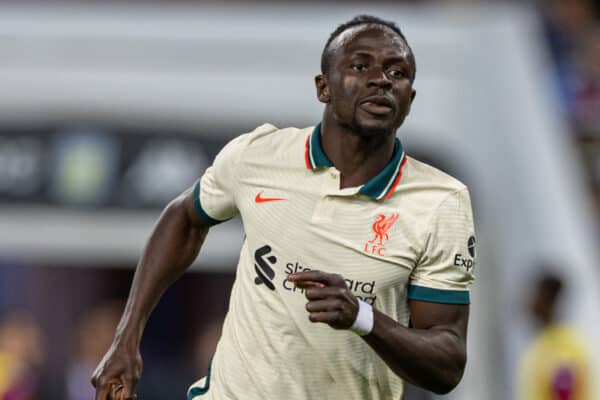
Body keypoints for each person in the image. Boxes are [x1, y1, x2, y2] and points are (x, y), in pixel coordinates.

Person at [92, 15, 476, 400]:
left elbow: (447, 364)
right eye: (361, 66)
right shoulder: (259, 155)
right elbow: (185, 218)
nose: (381, 79)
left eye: (398, 72)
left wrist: (362, 317)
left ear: (409, 99)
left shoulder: (440, 201)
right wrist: (126, 337)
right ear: (323, 87)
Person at [518, 272, 591, 400]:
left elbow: (564, 393)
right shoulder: (543, 342)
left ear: (546, 299)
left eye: (534, 294)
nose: (529, 301)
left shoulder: (561, 346)